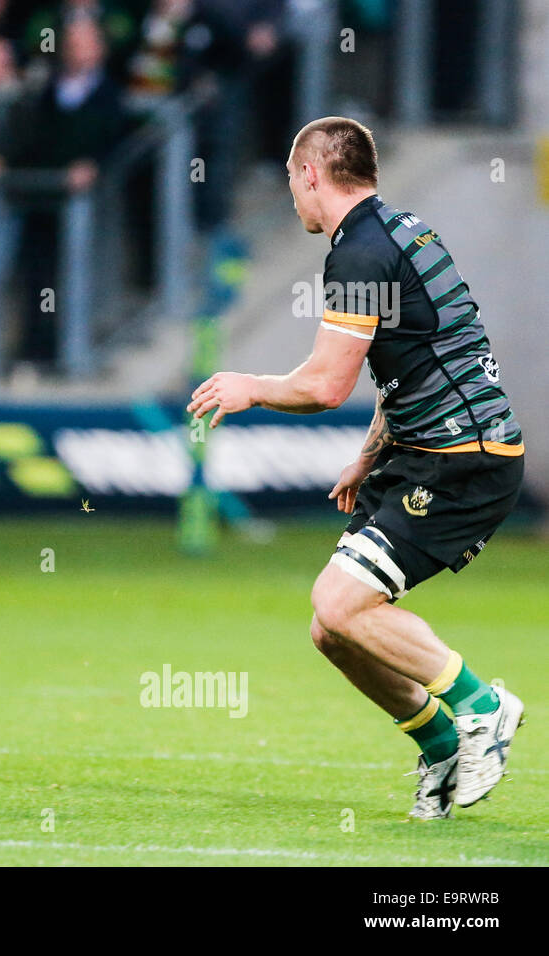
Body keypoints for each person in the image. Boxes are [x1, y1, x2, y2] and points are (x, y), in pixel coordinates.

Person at [188, 117, 526, 821]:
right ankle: (439, 745)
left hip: (462, 457)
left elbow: (324, 386)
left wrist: (249, 385)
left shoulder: (362, 253)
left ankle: (481, 707)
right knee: (331, 629)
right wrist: (371, 453)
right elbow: (410, 358)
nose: (292, 197)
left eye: (290, 180)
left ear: (311, 174)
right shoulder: (397, 231)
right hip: (427, 450)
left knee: (341, 604)